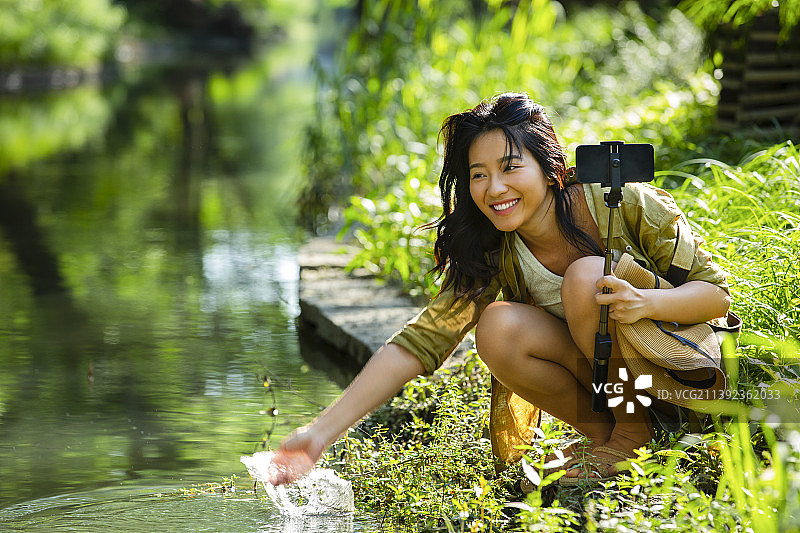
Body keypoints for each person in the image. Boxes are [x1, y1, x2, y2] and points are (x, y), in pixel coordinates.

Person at [271, 92, 731, 485]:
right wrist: (319, 434)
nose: (494, 188)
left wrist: (646, 300)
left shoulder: (623, 202)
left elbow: (715, 296)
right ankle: (605, 436)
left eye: (511, 167)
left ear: (550, 168)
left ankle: (633, 438)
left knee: (588, 277)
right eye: (478, 174)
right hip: (615, 392)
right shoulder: (495, 249)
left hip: (682, 378)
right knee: (498, 326)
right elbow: (421, 341)